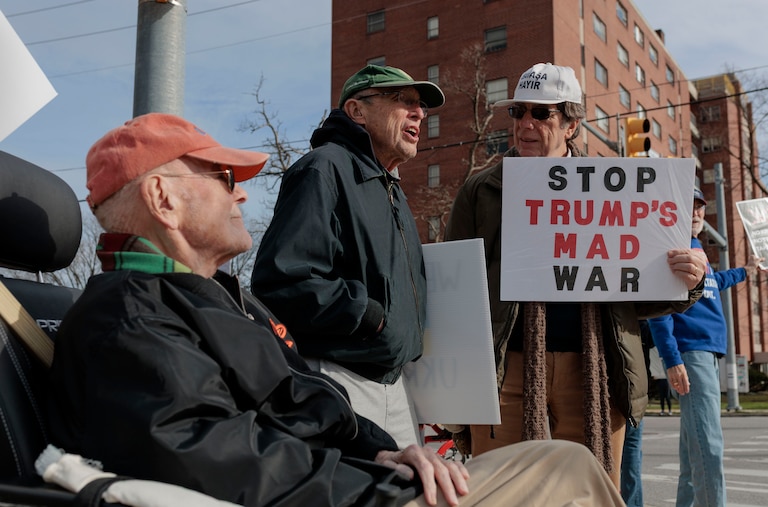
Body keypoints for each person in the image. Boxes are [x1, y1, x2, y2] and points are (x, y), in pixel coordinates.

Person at [46, 112, 627, 507]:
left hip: (356, 478)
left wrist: (385, 448)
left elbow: (301, 401)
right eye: (223, 177)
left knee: (564, 457)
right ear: (163, 199)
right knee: (569, 468)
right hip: (348, 497)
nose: (243, 193)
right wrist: (375, 481)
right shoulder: (126, 318)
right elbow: (210, 460)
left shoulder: (220, 297)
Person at [443, 62, 708, 488]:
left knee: (588, 493)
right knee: (498, 493)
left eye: (541, 113)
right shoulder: (482, 190)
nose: (526, 124)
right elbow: (451, 288)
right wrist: (450, 384)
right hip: (505, 371)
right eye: (518, 112)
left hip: (595, 369)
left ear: (571, 124)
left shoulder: (617, 188)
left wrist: (686, 282)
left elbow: (634, 295)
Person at [250, 64, 443, 448]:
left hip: (395, 385)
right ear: (357, 111)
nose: (419, 113)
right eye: (403, 101)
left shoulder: (391, 187)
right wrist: (367, 315)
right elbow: (282, 280)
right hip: (342, 380)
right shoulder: (323, 169)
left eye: (420, 106)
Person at [647, 188, 763, 507]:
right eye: (688, 207)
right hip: (690, 353)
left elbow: (715, 282)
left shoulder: (697, 248)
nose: (696, 213)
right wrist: (672, 358)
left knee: (693, 450)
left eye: (699, 207)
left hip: (707, 353)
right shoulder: (673, 249)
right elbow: (659, 308)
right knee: (709, 446)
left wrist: (747, 271)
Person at [619, 320, 653, 507]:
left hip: (628, 393)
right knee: (631, 454)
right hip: (635, 393)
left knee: (626, 454)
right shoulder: (644, 322)